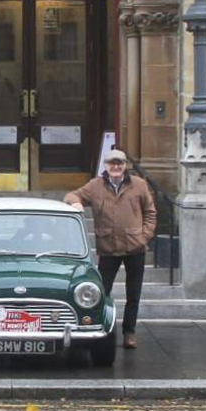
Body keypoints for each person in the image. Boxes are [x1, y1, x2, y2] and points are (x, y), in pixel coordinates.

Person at [63, 149, 156, 349]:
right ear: (105, 165)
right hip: (108, 249)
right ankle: (99, 328)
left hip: (135, 248)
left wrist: (144, 236)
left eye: (120, 163)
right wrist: (76, 203)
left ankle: (129, 332)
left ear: (125, 166)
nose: (116, 167)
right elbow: (71, 195)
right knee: (102, 292)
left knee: (134, 294)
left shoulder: (139, 185)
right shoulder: (95, 186)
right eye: (112, 163)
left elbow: (150, 212)